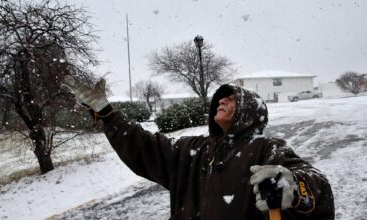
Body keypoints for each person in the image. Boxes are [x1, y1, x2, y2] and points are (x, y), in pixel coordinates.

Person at [62, 76, 335, 220]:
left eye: (231, 99)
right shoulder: (194, 149)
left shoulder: (264, 148)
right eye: (220, 97)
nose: (221, 101)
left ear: (249, 113)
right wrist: (108, 114)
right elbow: (144, 146)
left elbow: (312, 181)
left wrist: (295, 186)